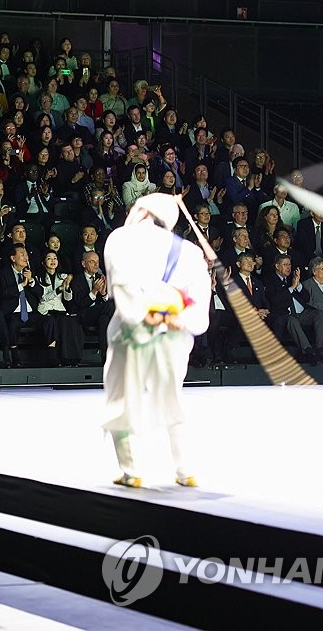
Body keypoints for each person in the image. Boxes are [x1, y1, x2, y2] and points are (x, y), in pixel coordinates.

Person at [102, 193, 211, 489]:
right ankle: (185, 469)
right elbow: (200, 302)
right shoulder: (189, 250)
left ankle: (131, 470)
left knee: (123, 399)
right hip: (175, 335)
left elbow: (123, 289)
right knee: (172, 398)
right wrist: (177, 319)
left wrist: (144, 316)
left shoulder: (119, 239)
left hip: (132, 333)